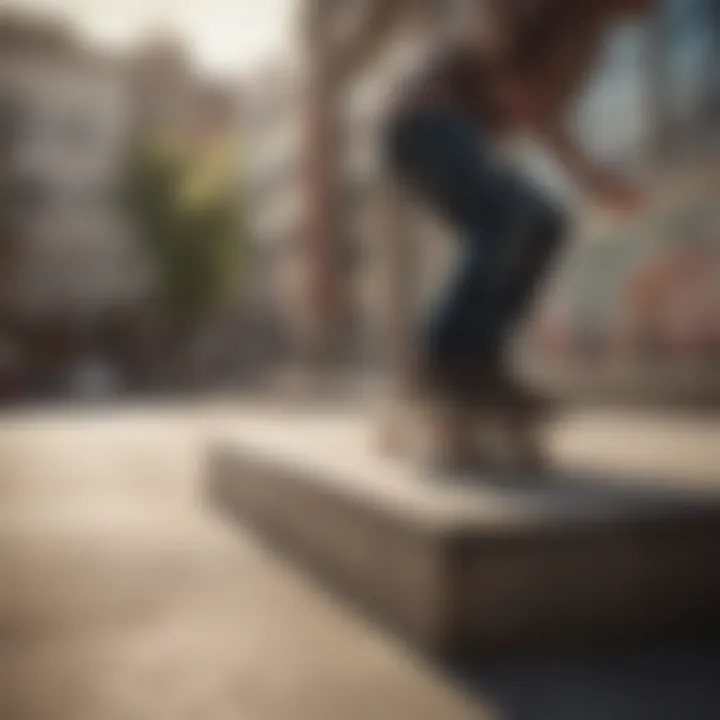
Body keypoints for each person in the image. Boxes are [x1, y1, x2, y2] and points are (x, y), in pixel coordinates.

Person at [307, 0, 655, 470]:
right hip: (422, 120)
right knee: (511, 215)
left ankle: (479, 361)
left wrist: (595, 182)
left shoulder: (586, 46)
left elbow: (547, 121)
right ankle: (444, 361)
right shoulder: (554, 11)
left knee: (544, 220)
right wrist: (499, 74)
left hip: (446, 131)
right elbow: (489, 21)